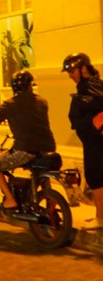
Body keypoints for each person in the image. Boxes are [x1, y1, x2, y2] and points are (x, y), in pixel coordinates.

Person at [0, 70, 56, 210]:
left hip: (26, 150)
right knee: (41, 173)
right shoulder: (42, 101)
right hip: (48, 147)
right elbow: (32, 122)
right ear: (29, 85)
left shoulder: (10, 104)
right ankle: (50, 203)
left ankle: (10, 199)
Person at [62, 52, 103, 219]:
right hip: (91, 141)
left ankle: (100, 217)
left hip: (95, 142)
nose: (70, 76)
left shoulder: (91, 90)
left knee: (95, 177)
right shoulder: (89, 88)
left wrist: (93, 123)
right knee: (95, 178)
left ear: (83, 69)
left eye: (72, 72)